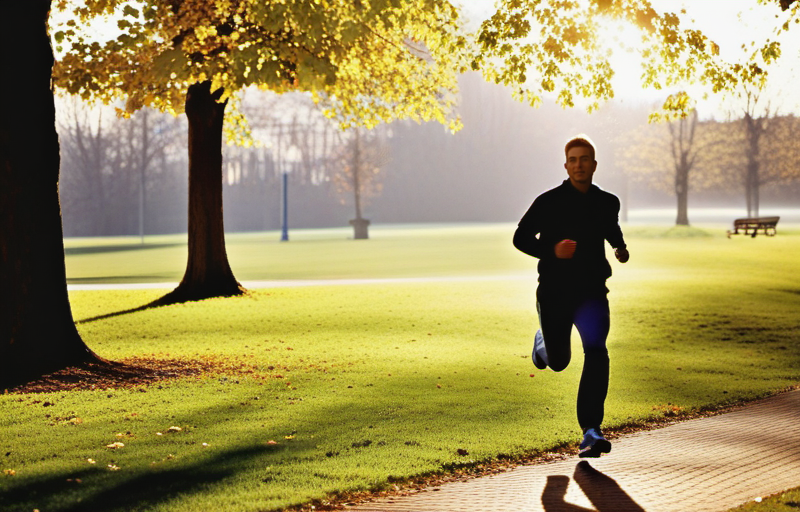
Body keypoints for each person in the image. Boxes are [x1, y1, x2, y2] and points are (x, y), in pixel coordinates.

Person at [513, 135, 629, 458]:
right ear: (566, 166)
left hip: (592, 293)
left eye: (585, 159)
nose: (579, 165)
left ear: (594, 164)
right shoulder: (548, 202)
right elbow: (520, 237)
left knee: (597, 351)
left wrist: (619, 248)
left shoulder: (608, 202)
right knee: (560, 361)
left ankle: (591, 431)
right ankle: (543, 344)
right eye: (573, 160)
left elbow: (611, 228)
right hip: (554, 293)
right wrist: (551, 250)